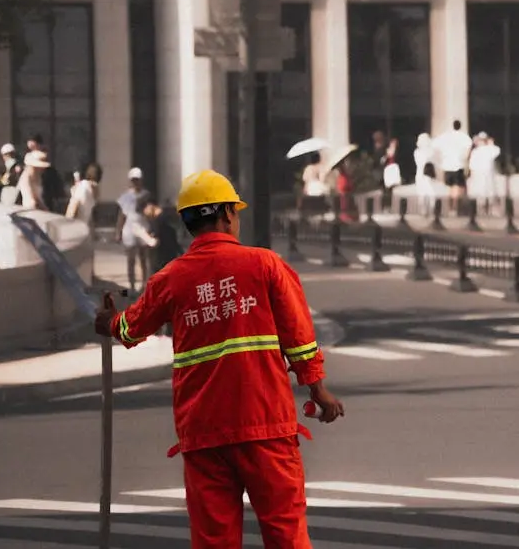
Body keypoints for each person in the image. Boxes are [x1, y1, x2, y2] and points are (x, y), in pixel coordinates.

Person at [93, 169, 345, 549]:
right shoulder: (265, 265)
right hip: (265, 426)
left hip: (204, 433)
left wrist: (109, 321)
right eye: (236, 213)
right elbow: (299, 336)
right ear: (227, 214)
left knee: (215, 541)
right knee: (286, 534)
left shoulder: (170, 279)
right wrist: (318, 390)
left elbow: (132, 328)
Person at [116, 167, 152, 295]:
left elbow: (150, 212)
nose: (136, 182)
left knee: (143, 258)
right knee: (130, 259)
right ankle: (131, 286)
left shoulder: (146, 195)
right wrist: (118, 231)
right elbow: (122, 215)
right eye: (133, 180)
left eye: (138, 179)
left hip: (143, 228)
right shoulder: (125, 197)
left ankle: (144, 285)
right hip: (129, 230)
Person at [433, 120, 473, 214]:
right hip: (458, 165)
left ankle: (450, 206)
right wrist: (465, 159)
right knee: (458, 186)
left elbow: (434, 145)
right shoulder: (464, 137)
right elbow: (469, 149)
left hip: (447, 165)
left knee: (449, 187)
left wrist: (442, 156)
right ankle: (455, 206)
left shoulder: (445, 136)